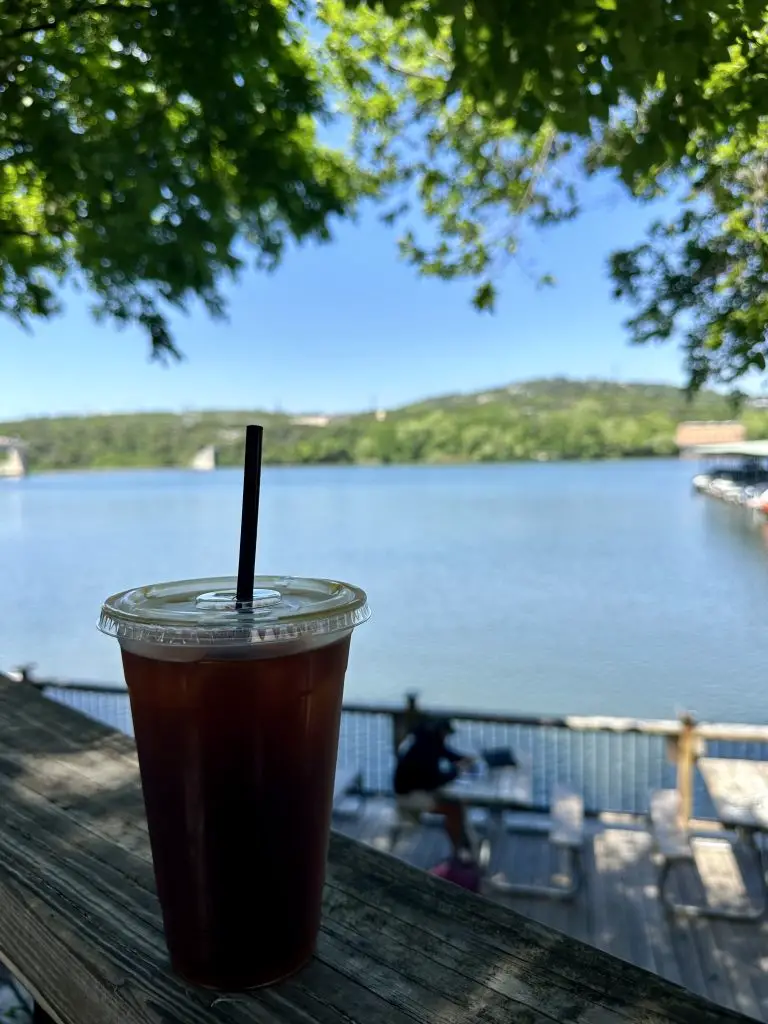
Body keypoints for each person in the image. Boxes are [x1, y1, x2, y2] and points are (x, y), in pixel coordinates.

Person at [393, 716, 474, 854]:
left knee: (456, 803)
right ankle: (459, 849)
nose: (446, 737)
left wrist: (463, 759)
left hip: (417, 789)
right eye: (446, 734)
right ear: (441, 732)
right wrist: (456, 772)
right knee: (453, 808)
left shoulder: (425, 741)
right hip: (410, 795)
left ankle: (462, 843)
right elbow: (433, 780)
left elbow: (445, 753)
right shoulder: (424, 750)